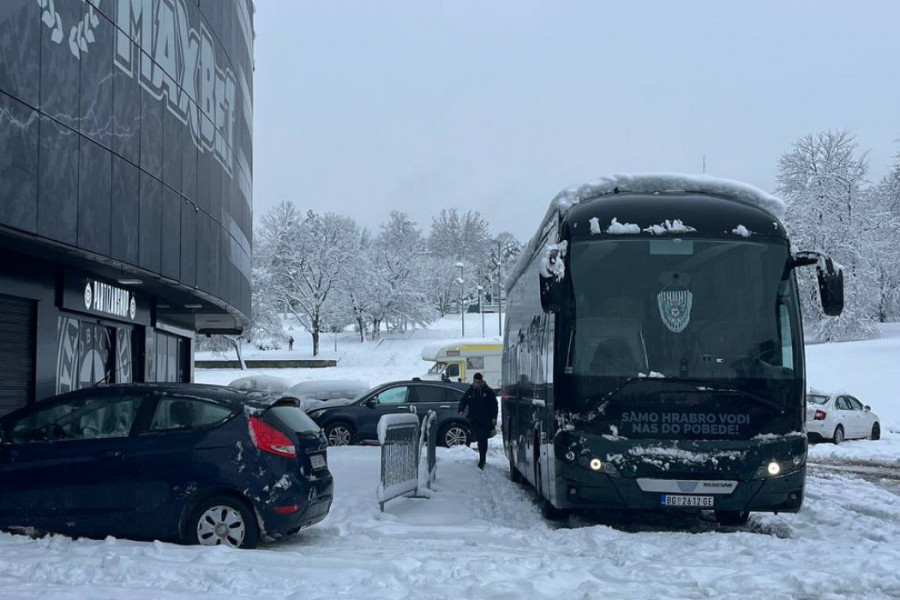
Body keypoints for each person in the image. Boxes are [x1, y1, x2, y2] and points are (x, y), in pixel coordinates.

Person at [457, 372, 498, 470]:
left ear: (481, 381)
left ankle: (482, 459)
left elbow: (494, 405)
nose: (477, 384)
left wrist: (494, 417)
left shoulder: (487, 391)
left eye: (478, 382)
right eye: (475, 382)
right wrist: (461, 409)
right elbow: (464, 400)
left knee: (482, 439)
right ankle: (481, 456)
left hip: (485, 419)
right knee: (478, 437)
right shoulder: (470, 391)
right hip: (474, 419)